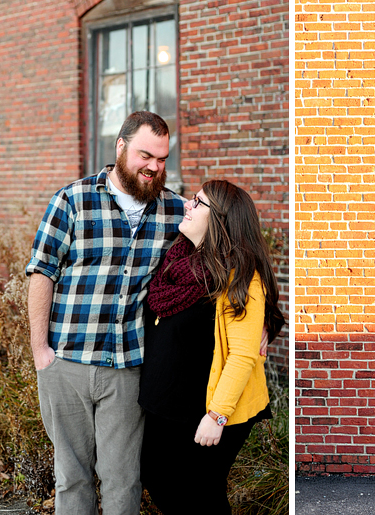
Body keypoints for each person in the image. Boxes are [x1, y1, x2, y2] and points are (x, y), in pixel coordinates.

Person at [26, 111, 185, 515]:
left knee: (123, 479)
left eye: (163, 159)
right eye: (146, 155)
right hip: (66, 364)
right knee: (72, 477)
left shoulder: (176, 212)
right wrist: (40, 352)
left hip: (128, 370)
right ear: (121, 147)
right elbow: (42, 272)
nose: (154, 167)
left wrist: (262, 318)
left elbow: (231, 249)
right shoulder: (73, 199)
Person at [139, 179, 285, 514]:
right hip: (168, 402)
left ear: (220, 218)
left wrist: (216, 417)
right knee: (158, 476)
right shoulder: (178, 260)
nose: (187, 206)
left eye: (197, 202)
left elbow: (241, 356)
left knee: (201, 491)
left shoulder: (240, 276)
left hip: (209, 409)